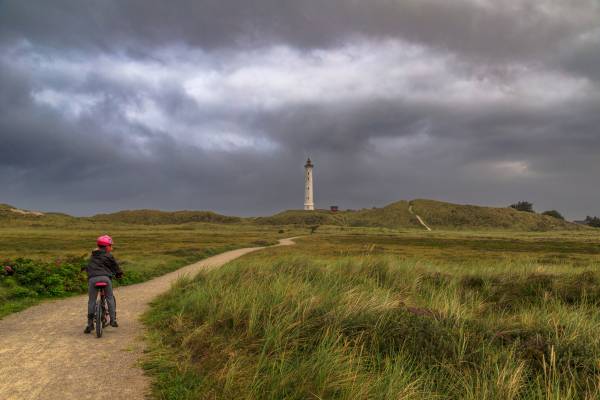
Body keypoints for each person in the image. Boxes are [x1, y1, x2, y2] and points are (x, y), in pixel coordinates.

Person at [82, 235, 123, 334]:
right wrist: (119, 274)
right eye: (110, 245)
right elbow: (116, 267)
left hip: (92, 279)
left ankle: (90, 324)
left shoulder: (92, 255)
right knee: (110, 298)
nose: (111, 248)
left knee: (91, 300)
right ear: (106, 246)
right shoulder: (109, 256)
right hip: (105, 278)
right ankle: (113, 320)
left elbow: (88, 267)